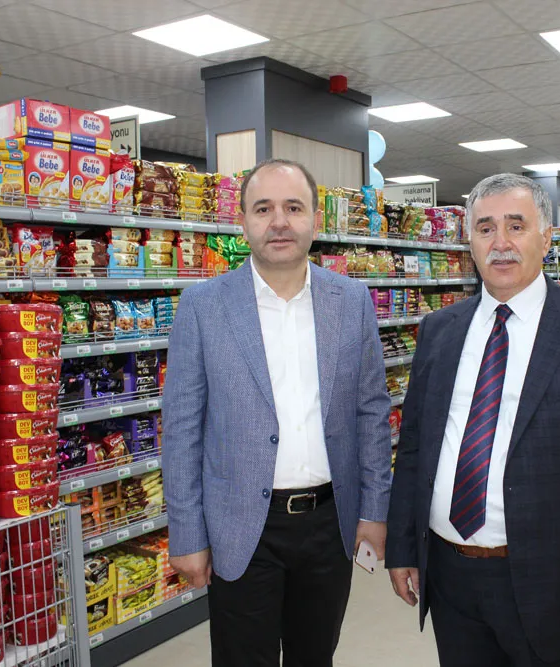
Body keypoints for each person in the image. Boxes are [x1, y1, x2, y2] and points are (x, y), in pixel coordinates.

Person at [386, 173, 560, 667]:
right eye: (485, 228)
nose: (501, 243)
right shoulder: (440, 329)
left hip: (556, 581)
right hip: (450, 576)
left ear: (546, 237)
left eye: (516, 226)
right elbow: (418, 446)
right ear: (469, 241)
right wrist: (403, 547)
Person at [162, 158, 393, 667]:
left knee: (316, 656)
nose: (280, 222)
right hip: (239, 526)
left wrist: (375, 511)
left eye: (294, 207)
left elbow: (372, 413)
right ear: (243, 221)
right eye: (263, 209)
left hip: (329, 523)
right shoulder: (202, 306)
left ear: (317, 220)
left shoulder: (351, 301)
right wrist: (187, 533)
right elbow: (181, 430)